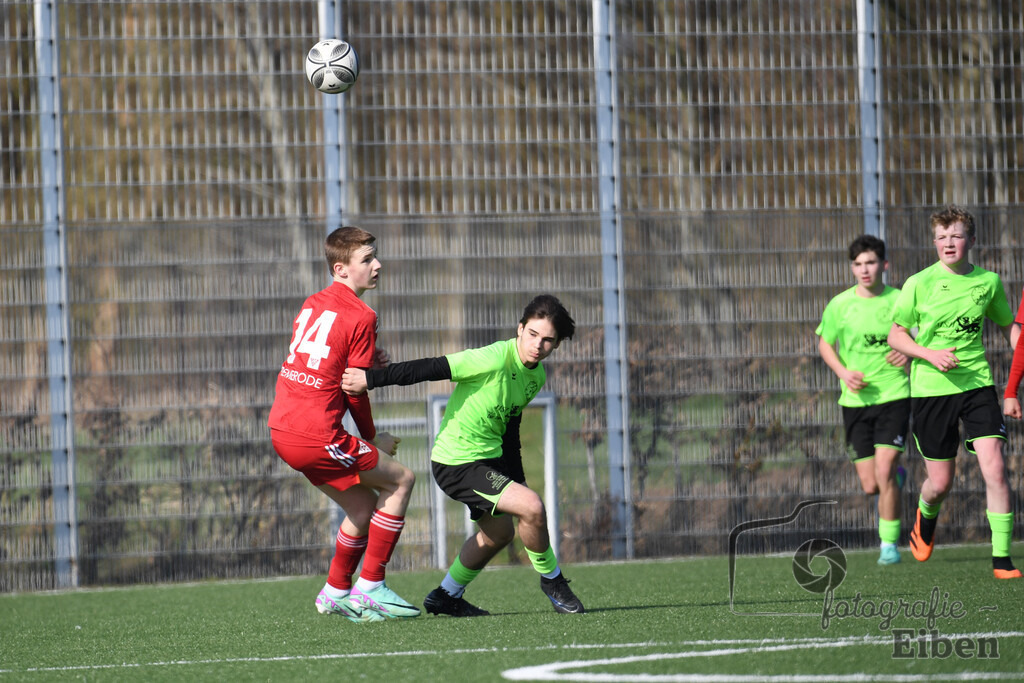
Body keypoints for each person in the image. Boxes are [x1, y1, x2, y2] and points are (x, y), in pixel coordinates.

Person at [342, 294, 585, 616]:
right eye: (532, 334)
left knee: (499, 533)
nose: (538, 345)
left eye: (548, 340)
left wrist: (519, 480)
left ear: (557, 344)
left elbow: (510, 429)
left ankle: (446, 595)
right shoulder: (493, 358)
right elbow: (430, 368)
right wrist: (369, 379)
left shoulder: (536, 376)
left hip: (489, 461)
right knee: (532, 507)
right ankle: (553, 581)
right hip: (457, 462)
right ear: (520, 328)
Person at [267, 226, 421, 621]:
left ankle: (335, 592)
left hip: (282, 430)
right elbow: (353, 389)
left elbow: (324, 361)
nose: (377, 265)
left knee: (362, 506)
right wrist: (372, 438)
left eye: (375, 256)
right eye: (367, 259)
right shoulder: (362, 314)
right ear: (341, 269)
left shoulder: (313, 302)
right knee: (402, 480)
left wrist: (368, 359)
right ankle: (370, 586)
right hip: (315, 435)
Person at [887, 206, 1021, 579]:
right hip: (931, 391)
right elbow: (896, 335)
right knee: (940, 483)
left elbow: (1008, 326)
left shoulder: (988, 282)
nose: (949, 243)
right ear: (934, 242)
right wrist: (929, 354)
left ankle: (1001, 559)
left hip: (977, 385)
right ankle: (926, 516)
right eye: (942, 237)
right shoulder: (918, 283)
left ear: (971, 240)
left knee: (995, 467)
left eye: (957, 236)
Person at [816, 235, 910, 566]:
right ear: (852, 268)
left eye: (870, 262)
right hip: (855, 403)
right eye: (858, 264)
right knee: (871, 485)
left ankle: (889, 546)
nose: (864, 269)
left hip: (894, 395)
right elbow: (825, 343)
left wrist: (910, 354)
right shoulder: (840, 305)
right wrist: (843, 372)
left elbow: (923, 337)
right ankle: (896, 478)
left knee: (884, 472)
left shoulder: (900, 300)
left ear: (884, 264)